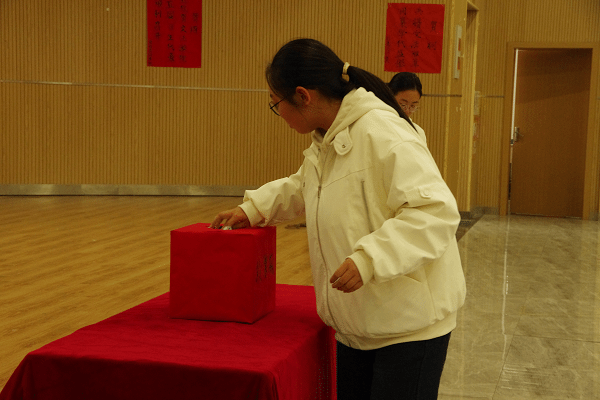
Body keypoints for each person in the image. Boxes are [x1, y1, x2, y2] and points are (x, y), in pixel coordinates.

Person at [210, 38, 466, 400]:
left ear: (303, 96)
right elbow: (305, 185)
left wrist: (369, 259)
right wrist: (254, 209)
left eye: (276, 104)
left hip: (409, 328)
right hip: (358, 324)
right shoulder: (329, 137)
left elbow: (435, 211)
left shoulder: (383, 132)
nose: (277, 113)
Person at [388, 72, 427, 145]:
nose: (407, 111)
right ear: (390, 97)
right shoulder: (378, 124)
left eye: (413, 106)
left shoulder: (418, 132)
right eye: (403, 104)